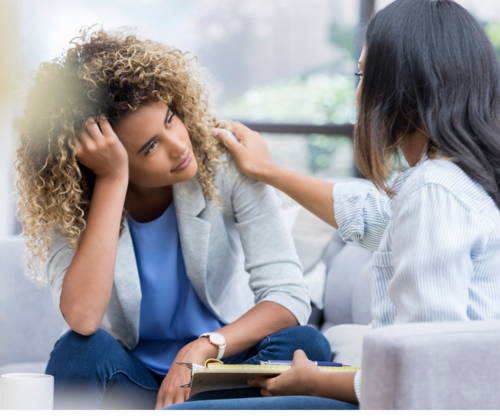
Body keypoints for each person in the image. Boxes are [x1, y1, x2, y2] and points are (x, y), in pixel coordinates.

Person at [162, 0, 500, 413]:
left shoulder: (434, 191)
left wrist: (316, 382)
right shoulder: (453, 183)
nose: (359, 94)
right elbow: (373, 218)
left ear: (405, 86)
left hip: (417, 406)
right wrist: (268, 171)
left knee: (184, 413)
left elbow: (423, 370)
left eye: (364, 74)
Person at [15, 29, 332, 415]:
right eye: (150, 146)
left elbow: (287, 294)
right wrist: (114, 181)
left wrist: (203, 346)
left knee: (305, 346)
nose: (180, 146)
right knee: (77, 352)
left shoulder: (226, 165)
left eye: (170, 119)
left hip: (222, 372)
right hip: (134, 381)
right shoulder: (70, 202)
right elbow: (82, 319)